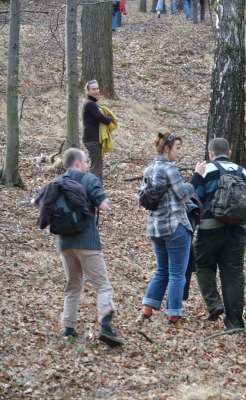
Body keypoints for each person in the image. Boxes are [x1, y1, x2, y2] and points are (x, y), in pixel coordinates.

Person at [32, 148, 123, 347]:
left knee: (73, 286)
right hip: (87, 242)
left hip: (64, 244)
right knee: (103, 285)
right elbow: (104, 205)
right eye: (86, 161)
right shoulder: (89, 179)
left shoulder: (55, 182)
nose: (88, 164)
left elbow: (36, 203)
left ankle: (68, 329)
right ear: (78, 163)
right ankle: (105, 325)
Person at [191, 138, 246, 330]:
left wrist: (192, 228)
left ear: (211, 153)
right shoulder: (242, 172)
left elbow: (194, 198)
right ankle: (234, 322)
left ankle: (214, 303)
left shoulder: (206, 170)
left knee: (203, 265)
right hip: (238, 230)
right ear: (229, 152)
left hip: (210, 228)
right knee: (233, 274)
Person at [139, 133, 194, 326]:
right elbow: (183, 195)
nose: (179, 152)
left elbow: (142, 197)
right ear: (167, 148)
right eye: (177, 148)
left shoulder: (148, 170)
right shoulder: (170, 169)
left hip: (155, 228)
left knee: (162, 270)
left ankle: (147, 309)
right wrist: (196, 179)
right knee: (177, 274)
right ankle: (173, 314)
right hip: (175, 227)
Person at [82, 80, 113, 183]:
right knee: (96, 167)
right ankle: (94, 189)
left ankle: (94, 187)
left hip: (92, 139)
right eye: (93, 89)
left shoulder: (90, 103)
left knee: (96, 165)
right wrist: (110, 118)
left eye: (97, 88)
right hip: (92, 140)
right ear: (88, 91)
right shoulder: (90, 104)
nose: (96, 91)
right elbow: (102, 119)